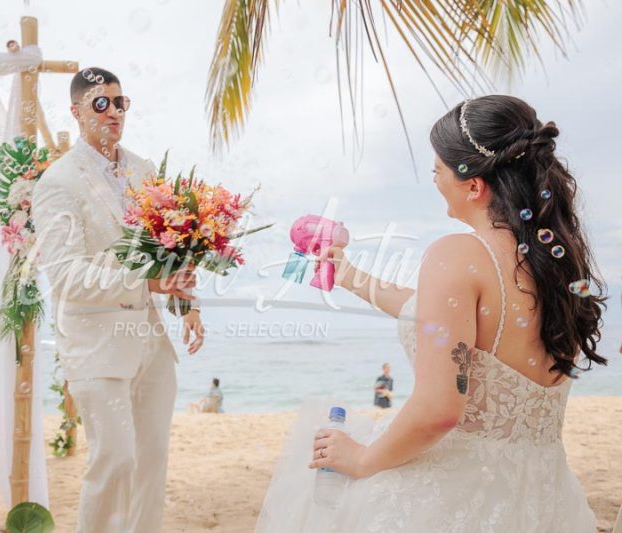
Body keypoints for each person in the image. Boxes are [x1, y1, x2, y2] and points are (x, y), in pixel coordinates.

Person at [256, 95, 607, 532]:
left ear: (473, 184)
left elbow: (439, 410)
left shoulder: (456, 254)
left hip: (461, 499)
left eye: (438, 170)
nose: (435, 180)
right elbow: (435, 312)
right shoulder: (556, 265)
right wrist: (349, 276)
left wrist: (362, 459)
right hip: (544, 496)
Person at [32, 67, 205, 533]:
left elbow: (171, 246)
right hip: (95, 346)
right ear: (76, 111)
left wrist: (187, 304)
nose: (113, 112)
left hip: (151, 341)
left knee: (151, 463)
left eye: (119, 102)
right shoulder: (57, 183)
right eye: (100, 103)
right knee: (115, 461)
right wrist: (145, 284)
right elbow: (65, 275)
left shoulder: (146, 171)